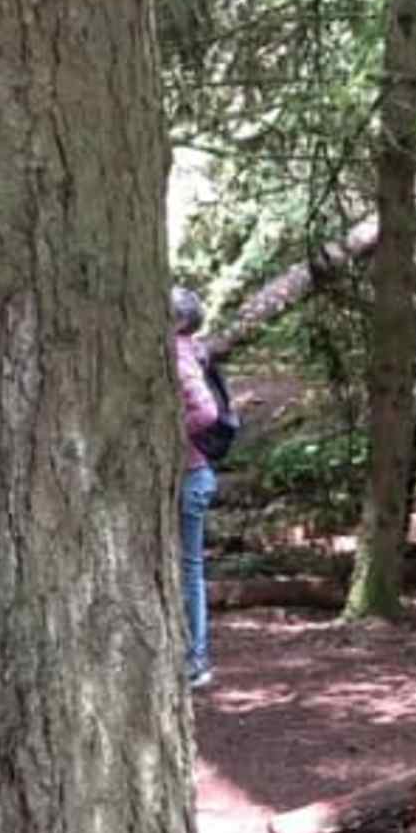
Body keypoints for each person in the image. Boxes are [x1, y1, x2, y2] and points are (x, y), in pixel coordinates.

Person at [171, 285, 219, 692]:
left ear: (179, 321)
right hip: (193, 474)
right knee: (187, 568)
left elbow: (206, 411)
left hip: (191, 475)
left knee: (189, 569)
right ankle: (192, 655)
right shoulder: (190, 349)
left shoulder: (178, 352)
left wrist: (169, 434)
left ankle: (196, 659)